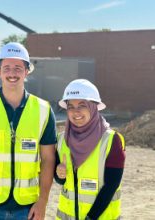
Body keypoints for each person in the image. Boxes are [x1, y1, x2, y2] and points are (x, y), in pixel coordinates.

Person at [0, 42, 57, 220]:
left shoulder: (43, 110)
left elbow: (48, 159)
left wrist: (42, 202)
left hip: (27, 206)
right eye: (6, 68)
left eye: (18, 68)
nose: (12, 73)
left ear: (27, 71)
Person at [54, 79, 126, 220]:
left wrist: (90, 218)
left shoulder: (112, 140)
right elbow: (63, 182)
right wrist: (59, 175)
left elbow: (111, 186)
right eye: (71, 107)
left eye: (82, 105)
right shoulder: (62, 139)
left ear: (93, 107)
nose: (76, 112)